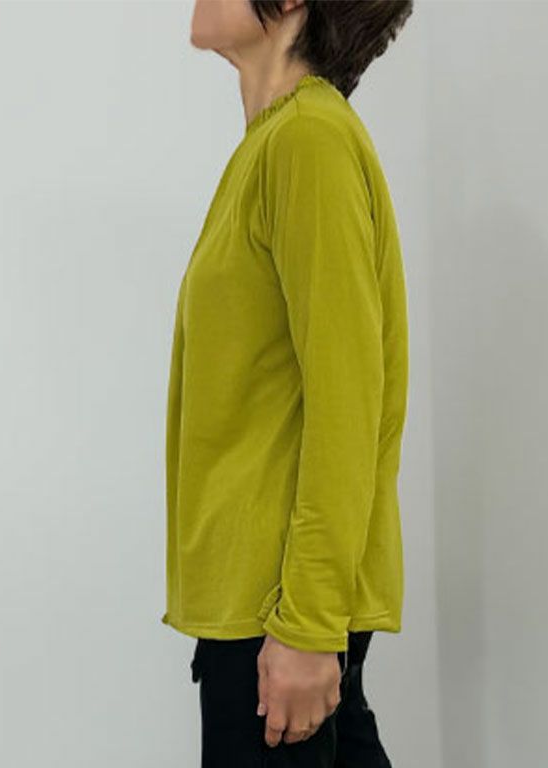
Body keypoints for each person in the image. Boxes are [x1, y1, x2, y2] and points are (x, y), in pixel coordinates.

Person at [161, 1, 413, 765]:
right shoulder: (278, 142)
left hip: (277, 611)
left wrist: (306, 624)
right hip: (271, 604)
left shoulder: (308, 142)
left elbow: (348, 404)